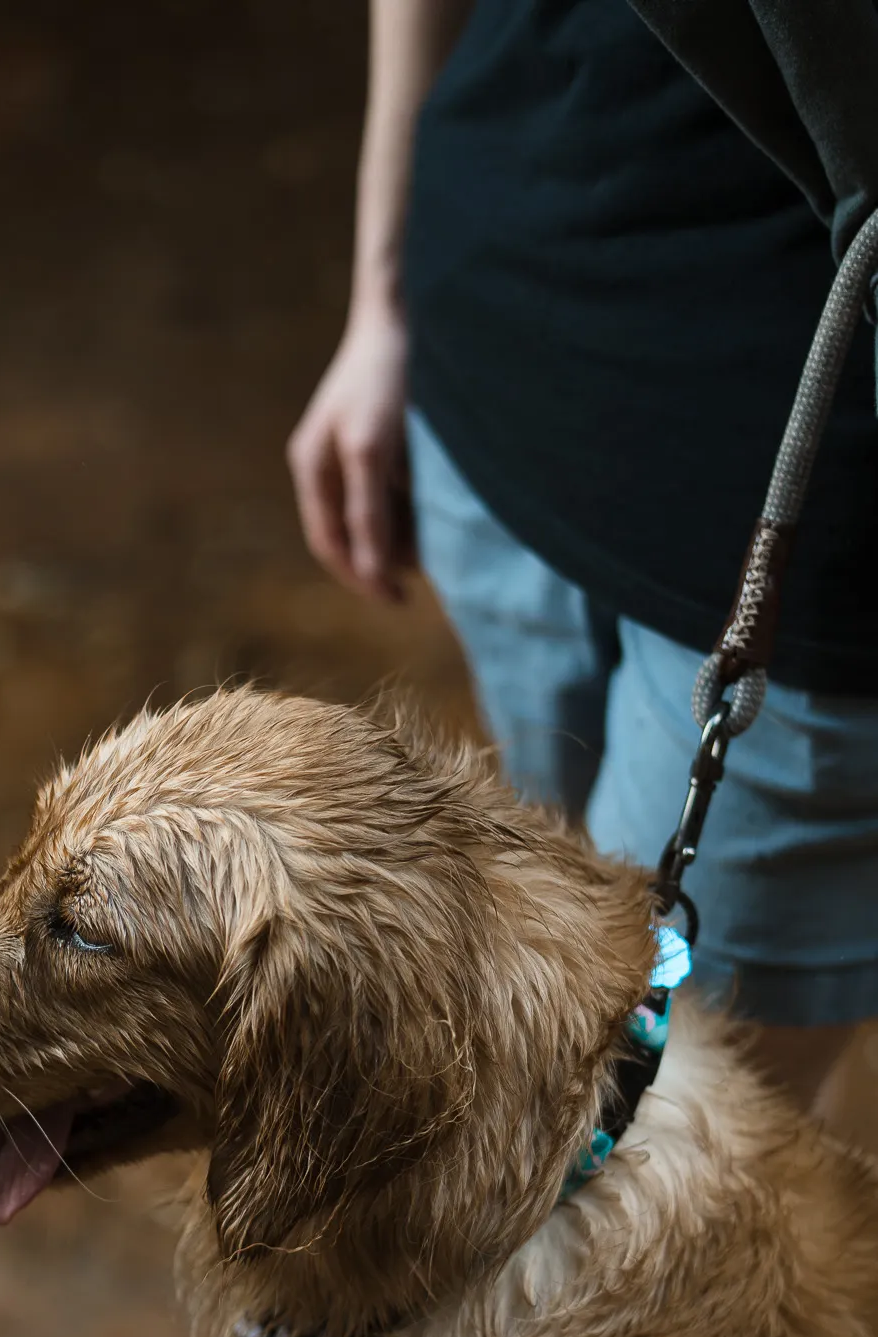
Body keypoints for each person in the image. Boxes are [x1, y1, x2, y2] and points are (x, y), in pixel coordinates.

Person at [288, 0, 878, 1121]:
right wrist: (383, 298)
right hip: (495, 381)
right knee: (533, 1003)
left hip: (808, 551)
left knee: (645, 1167)